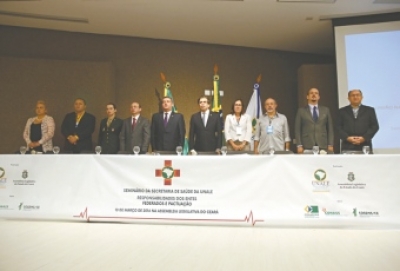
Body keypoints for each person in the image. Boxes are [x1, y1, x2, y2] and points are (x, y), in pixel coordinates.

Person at [295, 88, 334, 153]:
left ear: (319, 97)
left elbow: (330, 129)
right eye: (311, 93)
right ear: (307, 96)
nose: (314, 95)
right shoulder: (301, 111)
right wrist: (299, 145)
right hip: (307, 144)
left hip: (322, 144)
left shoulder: (326, 110)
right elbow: (297, 129)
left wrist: (330, 144)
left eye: (316, 93)